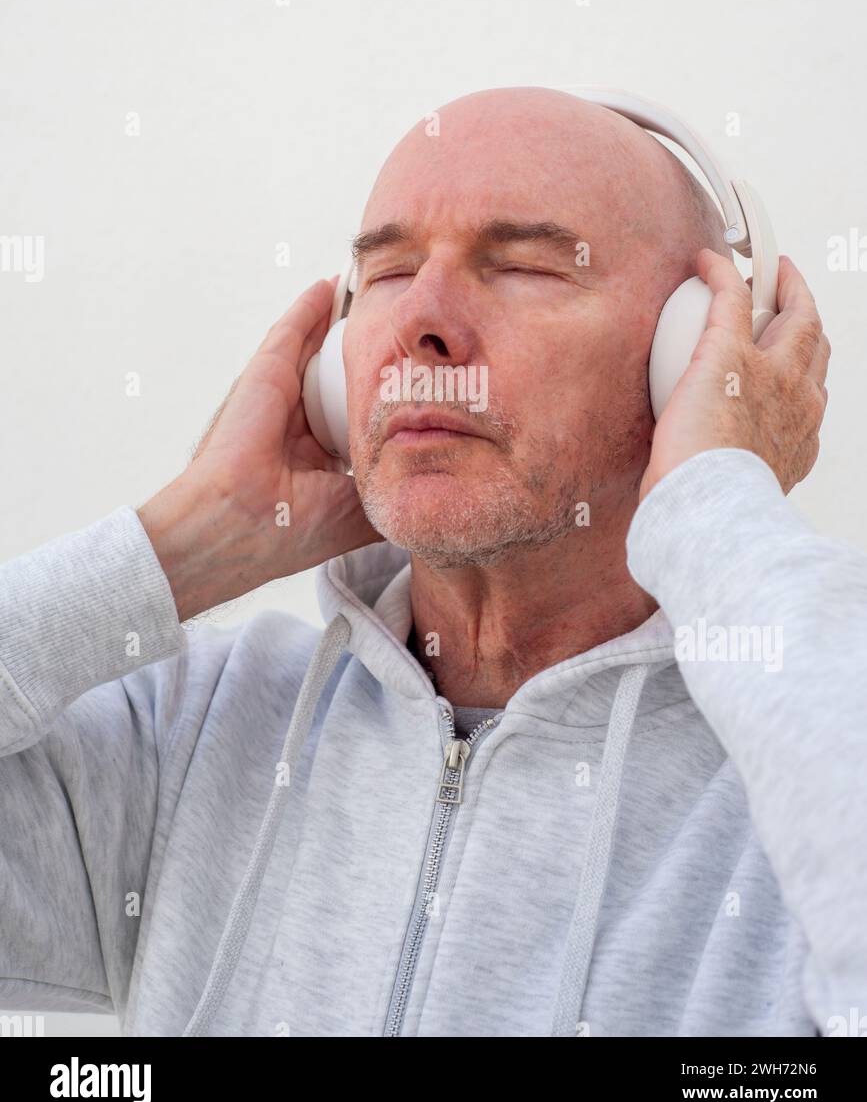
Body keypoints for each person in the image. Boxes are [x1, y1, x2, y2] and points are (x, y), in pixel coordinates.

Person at [1, 87, 855, 1039]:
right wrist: (187, 541)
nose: (422, 328)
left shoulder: (789, 758)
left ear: (693, 347)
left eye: (525, 266)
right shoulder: (192, 730)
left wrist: (716, 496)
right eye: (391, 271)